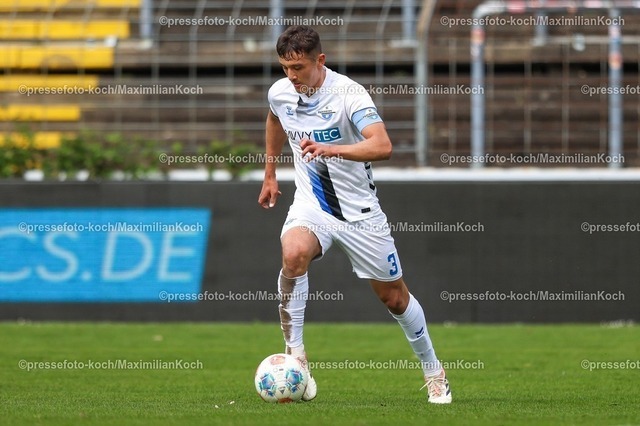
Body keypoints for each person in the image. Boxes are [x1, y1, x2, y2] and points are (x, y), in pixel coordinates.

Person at [258, 25, 452, 404]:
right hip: (312, 204)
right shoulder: (281, 92)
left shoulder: (349, 95)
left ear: (320, 61)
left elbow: (382, 145)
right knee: (294, 253)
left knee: (394, 298)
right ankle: (296, 356)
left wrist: (334, 150)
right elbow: (275, 119)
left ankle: (434, 372)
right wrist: (270, 172)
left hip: (360, 214)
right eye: (285, 67)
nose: (291, 76)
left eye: (298, 67)